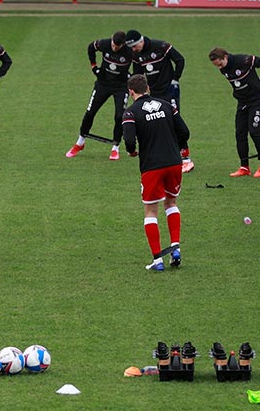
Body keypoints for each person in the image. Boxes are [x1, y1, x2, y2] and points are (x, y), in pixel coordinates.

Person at [122, 73, 190, 271]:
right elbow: (184, 132)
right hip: (174, 163)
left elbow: (128, 139)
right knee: (171, 203)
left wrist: (132, 151)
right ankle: (176, 247)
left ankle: (157, 260)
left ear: (131, 92)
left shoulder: (131, 112)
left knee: (151, 211)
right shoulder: (167, 105)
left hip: (152, 166)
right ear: (148, 88)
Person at [125, 29, 193, 173]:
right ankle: (165, 156)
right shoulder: (136, 54)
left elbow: (180, 60)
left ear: (141, 41)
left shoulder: (161, 46)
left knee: (174, 123)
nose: (134, 49)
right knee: (154, 121)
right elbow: (138, 74)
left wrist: (175, 78)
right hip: (152, 93)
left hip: (169, 91)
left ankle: (186, 159)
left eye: (135, 46)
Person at [65, 31, 132, 161]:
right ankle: (80, 142)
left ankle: (115, 147)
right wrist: (94, 66)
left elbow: (139, 64)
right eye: (113, 45)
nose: (114, 48)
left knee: (119, 116)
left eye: (117, 47)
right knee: (90, 112)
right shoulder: (104, 44)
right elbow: (91, 47)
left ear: (123, 44)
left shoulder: (129, 52)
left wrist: (132, 77)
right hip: (103, 84)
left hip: (121, 87)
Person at [208, 47, 260, 178]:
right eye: (216, 66)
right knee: (240, 133)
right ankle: (244, 167)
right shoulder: (223, 69)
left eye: (220, 64)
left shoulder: (244, 60)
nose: (219, 67)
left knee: (254, 131)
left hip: (258, 101)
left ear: (225, 57)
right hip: (243, 102)